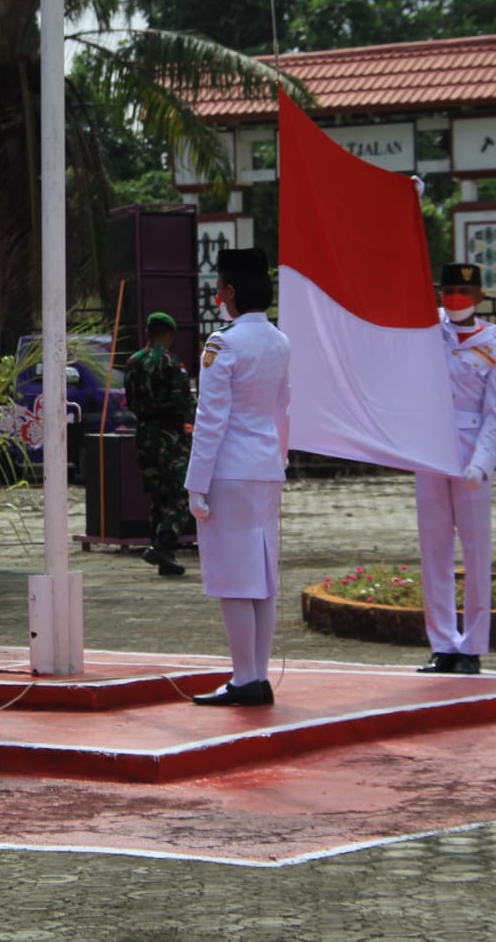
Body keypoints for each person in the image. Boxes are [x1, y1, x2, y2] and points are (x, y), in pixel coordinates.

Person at [183, 247, 290, 707]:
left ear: (230, 291)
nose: (218, 295)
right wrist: (279, 460)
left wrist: (195, 482)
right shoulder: (279, 341)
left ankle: (245, 678)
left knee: (233, 577)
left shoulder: (222, 344)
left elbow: (211, 419)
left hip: (229, 469)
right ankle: (256, 675)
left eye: (221, 288)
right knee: (262, 576)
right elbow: (283, 411)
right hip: (265, 465)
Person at [415, 262, 496, 676]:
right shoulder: (427, 335)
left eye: (463, 291)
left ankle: (472, 646)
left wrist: (482, 464)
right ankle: (442, 643)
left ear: (478, 297)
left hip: (472, 451)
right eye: (448, 289)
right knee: (434, 551)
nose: (455, 297)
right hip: (430, 450)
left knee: (475, 553)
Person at [123, 311, 195, 576]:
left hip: (143, 433)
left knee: (158, 494)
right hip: (169, 436)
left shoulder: (132, 362)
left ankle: (162, 552)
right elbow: (183, 403)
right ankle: (163, 545)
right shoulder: (171, 363)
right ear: (169, 334)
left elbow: (129, 400)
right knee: (180, 493)